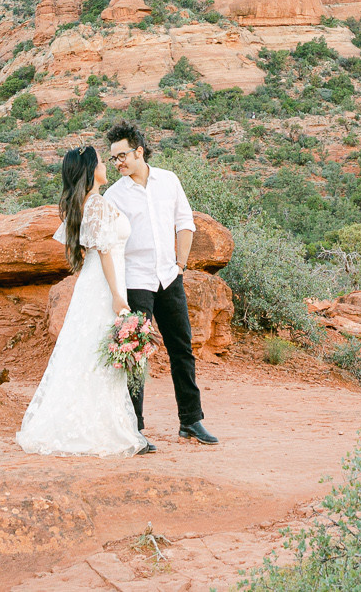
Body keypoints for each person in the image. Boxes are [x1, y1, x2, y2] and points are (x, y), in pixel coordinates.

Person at [14, 145, 150, 456]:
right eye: (102, 161)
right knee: (97, 356)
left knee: (86, 353)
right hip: (104, 286)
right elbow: (104, 253)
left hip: (92, 285)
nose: (106, 164)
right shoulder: (98, 204)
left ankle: (83, 423)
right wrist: (118, 296)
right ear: (91, 171)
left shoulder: (87, 203)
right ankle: (102, 430)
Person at [101, 120, 219, 446]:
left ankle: (191, 422)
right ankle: (134, 429)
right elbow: (109, 243)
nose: (118, 163)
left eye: (122, 155)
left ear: (139, 151)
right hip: (136, 280)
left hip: (169, 278)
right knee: (136, 353)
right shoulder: (114, 194)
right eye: (113, 159)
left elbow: (185, 223)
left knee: (182, 349)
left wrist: (180, 265)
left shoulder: (169, 180)